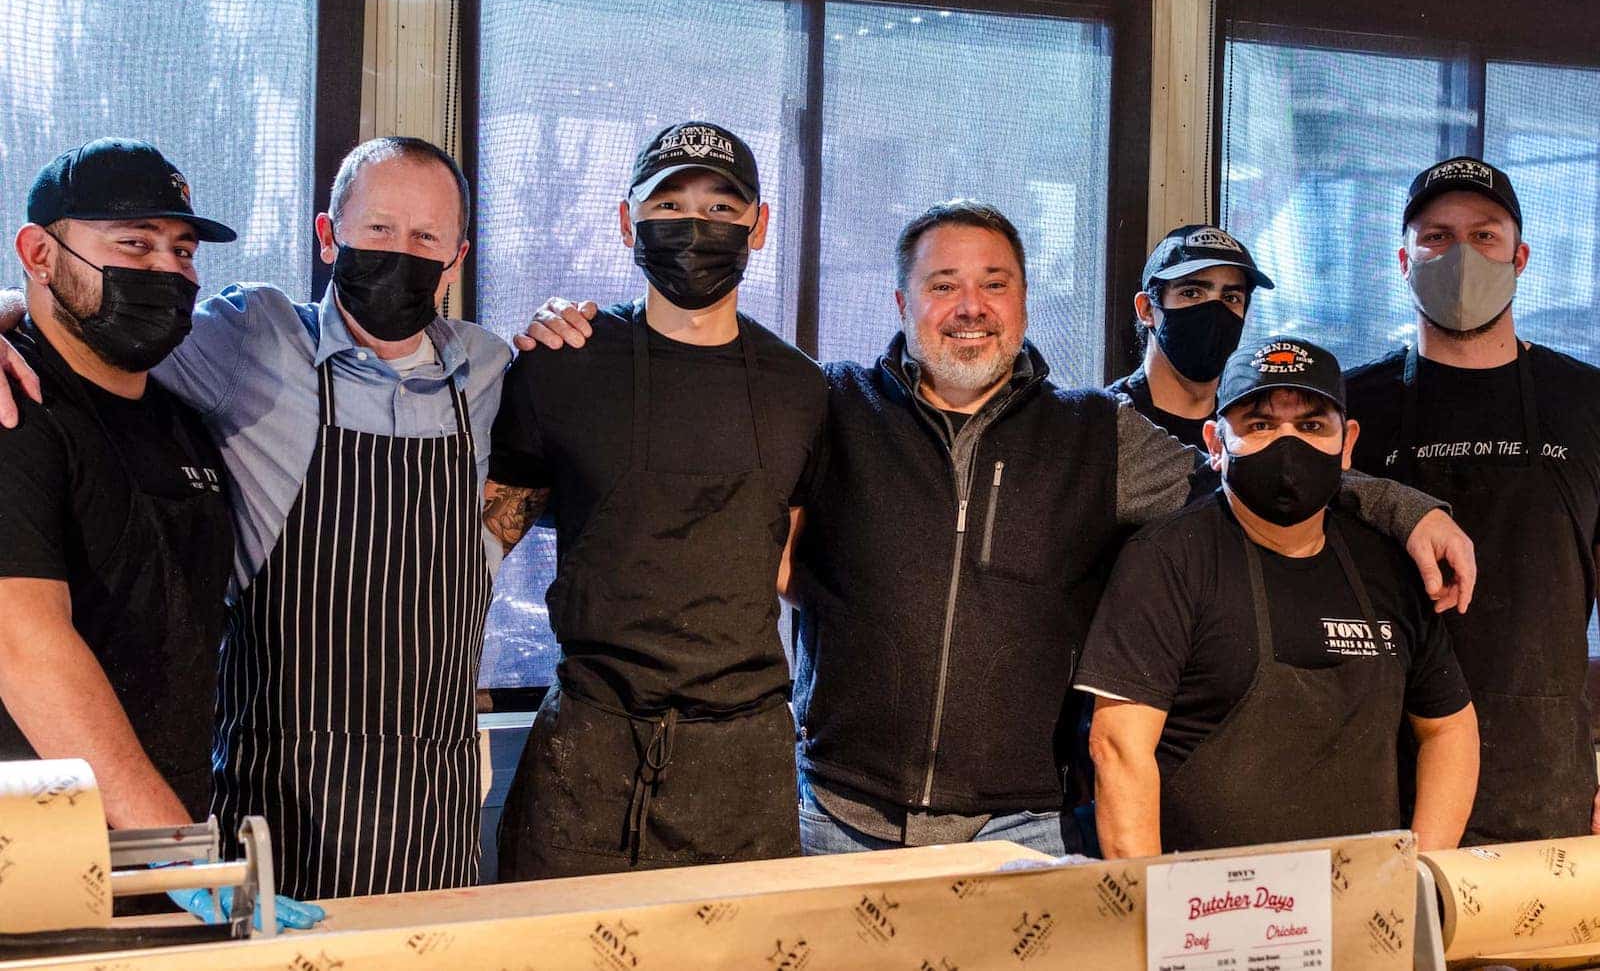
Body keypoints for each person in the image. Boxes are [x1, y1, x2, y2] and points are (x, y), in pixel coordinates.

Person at [522, 199, 1476, 858]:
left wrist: (1402, 503)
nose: (969, 306)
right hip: (829, 815)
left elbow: (1261, 475)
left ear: (1023, 302)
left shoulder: (1096, 434)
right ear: (902, 303)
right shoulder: (832, 407)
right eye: (942, 284)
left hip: (1017, 833)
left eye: (994, 283)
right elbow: (715, 446)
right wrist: (589, 332)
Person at [484, 122, 828, 879]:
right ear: (626, 220)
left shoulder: (805, 392)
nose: (694, 226)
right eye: (667, 204)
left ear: (759, 226)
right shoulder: (562, 365)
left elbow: (798, 569)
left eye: (720, 208)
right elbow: (474, 546)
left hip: (744, 771)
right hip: (585, 758)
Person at [0, 139, 321, 928]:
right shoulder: (13, 410)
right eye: (134, 243)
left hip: (162, 858)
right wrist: (177, 849)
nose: (168, 270)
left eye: (181, 250)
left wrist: (177, 847)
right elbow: (22, 642)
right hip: (34, 865)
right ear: (40, 252)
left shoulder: (183, 421)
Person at [1079, 336, 1479, 855]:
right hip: (1207, 914)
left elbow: (1450, 730)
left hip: (1363, 914)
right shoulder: (1167, 560)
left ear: (1348, 443)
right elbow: (1119, 748)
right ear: (1216, 444)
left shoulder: (1387, 567)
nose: (1288, 445)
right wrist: (1155, 910)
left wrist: (1420, 873)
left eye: (1312, 426)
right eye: (1260, 425)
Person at [1344, 156, 1600, 844]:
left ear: (1519, 257)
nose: (1460, 254)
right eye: (1436, 238)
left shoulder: (1586, 403)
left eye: (1484, 236)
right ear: (1403, 259)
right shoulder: (1348, 406)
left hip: (1546, 784)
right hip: (1380, 781)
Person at [1108, 224, 1272, 448]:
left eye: (1231, 297)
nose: (1214, 311)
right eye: (1192, 293)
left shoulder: (1249, 430)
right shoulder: (1108, 423)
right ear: (1147, 309)